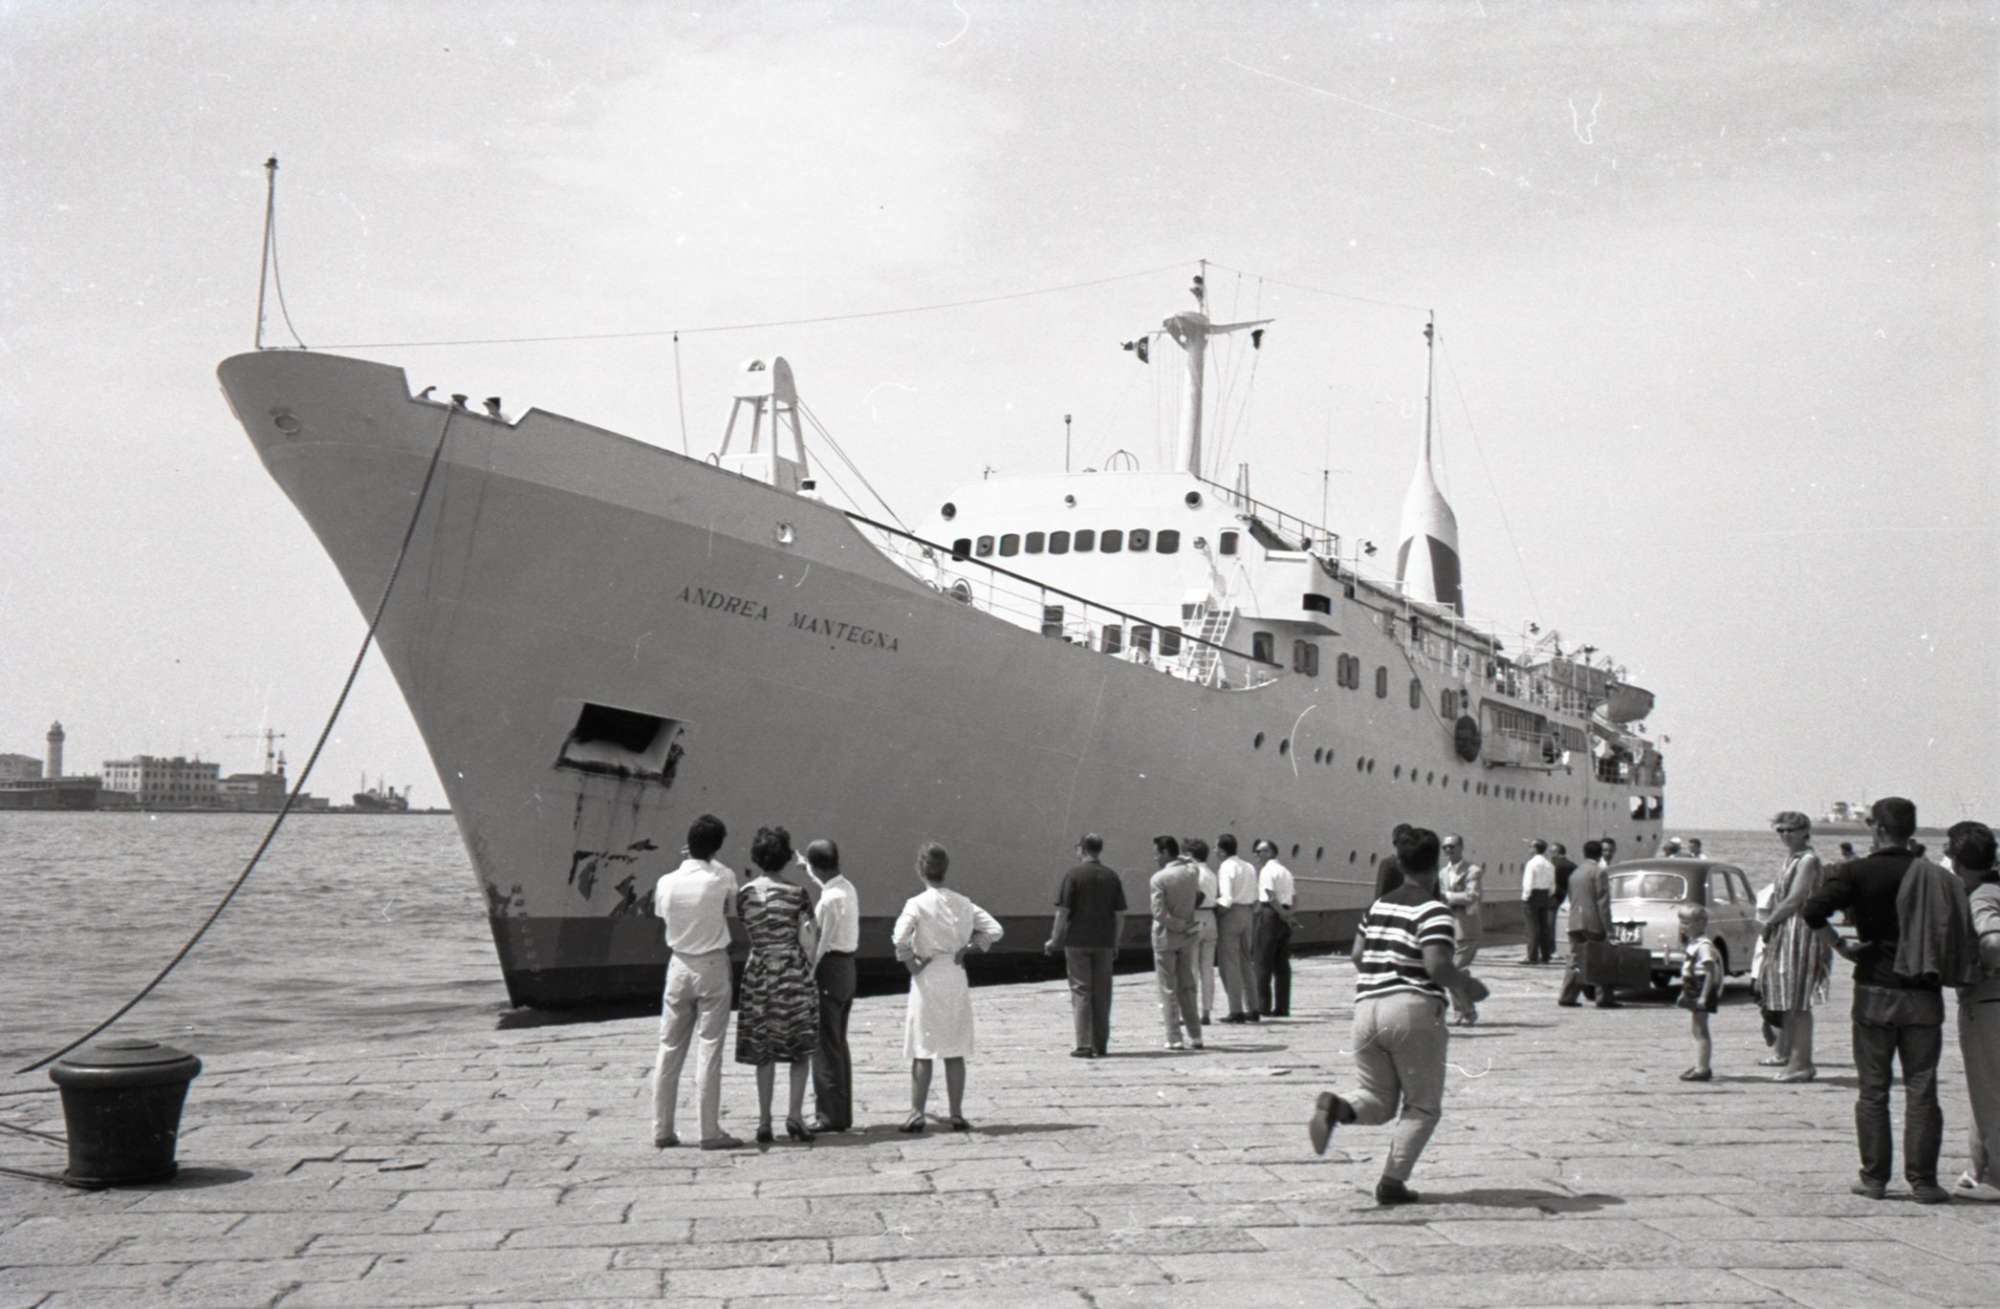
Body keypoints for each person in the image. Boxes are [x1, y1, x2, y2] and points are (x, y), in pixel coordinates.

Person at [1306, 826, 1485, 1204]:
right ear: (1434, 866)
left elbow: (1358, 955)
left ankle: (1337, 1107)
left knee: (1376, 1099)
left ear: (1400, 864)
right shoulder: (1434, 911)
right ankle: (1391, 1183)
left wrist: (1382, 975)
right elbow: (1437, 966)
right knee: (1422, 1105)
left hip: (1366, 1009)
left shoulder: (1377, 907)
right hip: (1412, 1010)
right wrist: (1469, 987)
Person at [1800, 797, 1948, 1202]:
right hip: (1922, 992)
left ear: (1876, 828)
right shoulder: (1932, 874)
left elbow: (1812, 910)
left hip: (1874, 990)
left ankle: (1874, 1178)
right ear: (1910, 829)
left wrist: (1841, 946)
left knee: (1873, 1090)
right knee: (1922, 1089)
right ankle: (1924, 1182)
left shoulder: (1856, 872)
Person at [892, 841, 1003, 1132]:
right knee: (955, 1048)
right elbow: (995, 929)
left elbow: (899, 937)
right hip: (954, 972)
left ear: (920, 869)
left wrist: (911, 963)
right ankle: (956, 1113)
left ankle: (917, 1112)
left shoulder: (916, 903)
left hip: (928, 975)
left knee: (922, 1047)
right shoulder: (964, 902)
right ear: (945, 869)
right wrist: (970, 947)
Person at [650, 813, 743, 1151]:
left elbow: (661, 913)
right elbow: (733, 900)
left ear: (688, 845)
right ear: (716, 847)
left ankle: (662, 1128)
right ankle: (708, 1130)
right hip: (712, 964)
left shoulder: (665, 882)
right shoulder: (721, 876)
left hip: (678, 964)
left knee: (669, 1047)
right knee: (710, 1047)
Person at [734, 826, 818, 1144]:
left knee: (763, 1049)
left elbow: (748, 927)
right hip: (792, 971)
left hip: (759, 971)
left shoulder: (745, 894)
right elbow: (809, 936)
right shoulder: (798, 894)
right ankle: (795, 1116)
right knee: (800, 1048)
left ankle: (764, 1120)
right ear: (785, 857)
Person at [1757, 812, 1835, 1083]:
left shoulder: (1808, 860)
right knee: (1788, 998)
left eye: (1790, 830)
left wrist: (1770, 922)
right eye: (1781, 830)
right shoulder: (1791, 859)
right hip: (1787, 931)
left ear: (1804, 831)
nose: (1785, 835)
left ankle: (1802, 1063)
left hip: (1800, 931)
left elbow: (1795, 899)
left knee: (1798, 1001)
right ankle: (1791, 1056)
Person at [1948, 821, 2000, 1202]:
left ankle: (1996, 1178)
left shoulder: (1980, 896)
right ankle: (1979, 1168)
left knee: (1989, 1091)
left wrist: (1986, 968)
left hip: (1987, 1004)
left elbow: (1993, 941)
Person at [1045, 833, 1127, 1058]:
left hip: (1077, 941)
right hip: (1104, 942)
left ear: (1082, 849)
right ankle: (1100, 1043)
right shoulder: (1111, 876)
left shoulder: (1073, 875)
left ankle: (1084, 1044)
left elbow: (1063, 912)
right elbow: (1120, 915)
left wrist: (1054, 939)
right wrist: (1116, 942)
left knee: (1081, 990)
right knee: (1103, 992)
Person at [801, 839, 857, 1133]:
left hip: (829, 970)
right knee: (838, 1043)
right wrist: (807, 866)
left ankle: (829, 1116)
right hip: (847, 968)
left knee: (824, 1045)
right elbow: (826, 880)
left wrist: (808, 974)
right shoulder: (847, 888)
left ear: (816, 868)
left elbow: (819, 944)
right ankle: (841, 1112)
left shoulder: (827, 901)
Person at [1149, 835, 1205, 1050]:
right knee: (1187, 986)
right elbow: (1190, 861)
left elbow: (1158, 912)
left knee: (1168, 989)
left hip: (1165, 937)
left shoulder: (1158, 878)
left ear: (1164, 852)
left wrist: (1177, 925)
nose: (1155, 857)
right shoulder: (1191, 872)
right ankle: (1196, 1035)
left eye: (1157, 853)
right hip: (1187, 936)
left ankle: (1174, 1037)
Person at [1559, 839, 1621, 1008]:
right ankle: (1604, 998)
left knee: (1575, 959)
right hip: (1592, 922)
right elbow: (1603, 903)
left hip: (1575, 921)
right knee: (1601, 959)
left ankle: (1567, 995)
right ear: (1600, 853)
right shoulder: (1599, 872)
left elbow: (1572, 897)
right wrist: (1609, 930)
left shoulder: (1576, 873)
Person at [1214, 833, 1260, 1023]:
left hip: (1231, 914)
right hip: (1248, 913)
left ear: (1222, 851)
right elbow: (1256, 896)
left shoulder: (1226, 867)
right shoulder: (1249, 866)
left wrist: (1216, 915)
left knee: (1229, 964)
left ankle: (1236, 1009)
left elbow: (1226, 898)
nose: (1215, 851)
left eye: (1216, 848)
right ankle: (1254, 1007)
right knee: (1246, 961)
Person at [1677, 904, 1723, 1082]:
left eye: (1687, 922)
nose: (1683, 926)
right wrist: (1684, 993)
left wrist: (1704, 996)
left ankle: (1702, 1068)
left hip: (1701, 987)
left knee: (1700, 1029)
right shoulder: (1692, 943)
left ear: (1701, 923)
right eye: (1681, 921)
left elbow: (1710, 972)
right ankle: (1700, 1064)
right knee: (1696, 1029)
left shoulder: (1704, 945)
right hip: (1693, 986)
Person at [1439, 836, 1482, 1024]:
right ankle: (1461, 1011)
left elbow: (1472, 896)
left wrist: (1447, 896)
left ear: (1461, 847)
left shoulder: (1473, 870)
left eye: (1452, 846)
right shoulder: (1442, 873)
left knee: (1453, 970)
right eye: (1445, 847)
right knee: (1457, 972)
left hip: (1467, 928)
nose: (1448, 850)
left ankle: (1468, 1010)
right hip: (1449, 929)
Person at [1252, 838, 1296, 1017]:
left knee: (1262, 961)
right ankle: (1282, 1007)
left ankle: (1262, 1006)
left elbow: (1270, 895)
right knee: (1282, 964)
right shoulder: (1286, 871)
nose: (1256, 854)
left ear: (1269, 852)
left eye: (1259, 851)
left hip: (1270, 914)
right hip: (1284, 914)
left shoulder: (1267, 870)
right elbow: (1295, 897)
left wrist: (1281, 912)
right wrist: (1289, 914)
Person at [1186, 837, 1219, 1024]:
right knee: (1207, 969)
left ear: (1191, 855)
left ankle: (1190, 1010)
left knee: (1191, 968)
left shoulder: (1192, 873)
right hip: (1210, 917)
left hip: (1196, 916)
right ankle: (1206, 1011)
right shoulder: (1212, 874)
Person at [1520, 839, 1556, 966]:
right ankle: (1546, 955)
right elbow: (1552, 883)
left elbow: (1528, 882)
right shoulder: (1549, 864)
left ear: (1535, 849)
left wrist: (1526, 896)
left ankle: (1532, 956)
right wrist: (1549, 894)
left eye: (1531, 846)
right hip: (1545, 894)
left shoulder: (1531, 863)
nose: (1529, 849)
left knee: (1532, 927)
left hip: (1532, 895)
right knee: (1543, 926)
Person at [1548, 842, 1577, 964]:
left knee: (1550, 925)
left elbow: (1551, 883)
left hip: (1555, 898)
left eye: (1552, 852)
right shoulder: (1572, 865)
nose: (1550, 854)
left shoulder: (1553, 865)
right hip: (1569, 898)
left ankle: (1551, 950)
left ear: (1557, 852)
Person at [1373, 823, 1414, 900]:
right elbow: (1380, 895)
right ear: (1395, 843)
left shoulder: (1416, 866)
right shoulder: (1389, 864)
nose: (1408, 846)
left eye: (1411, 842)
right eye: (1404, 842)